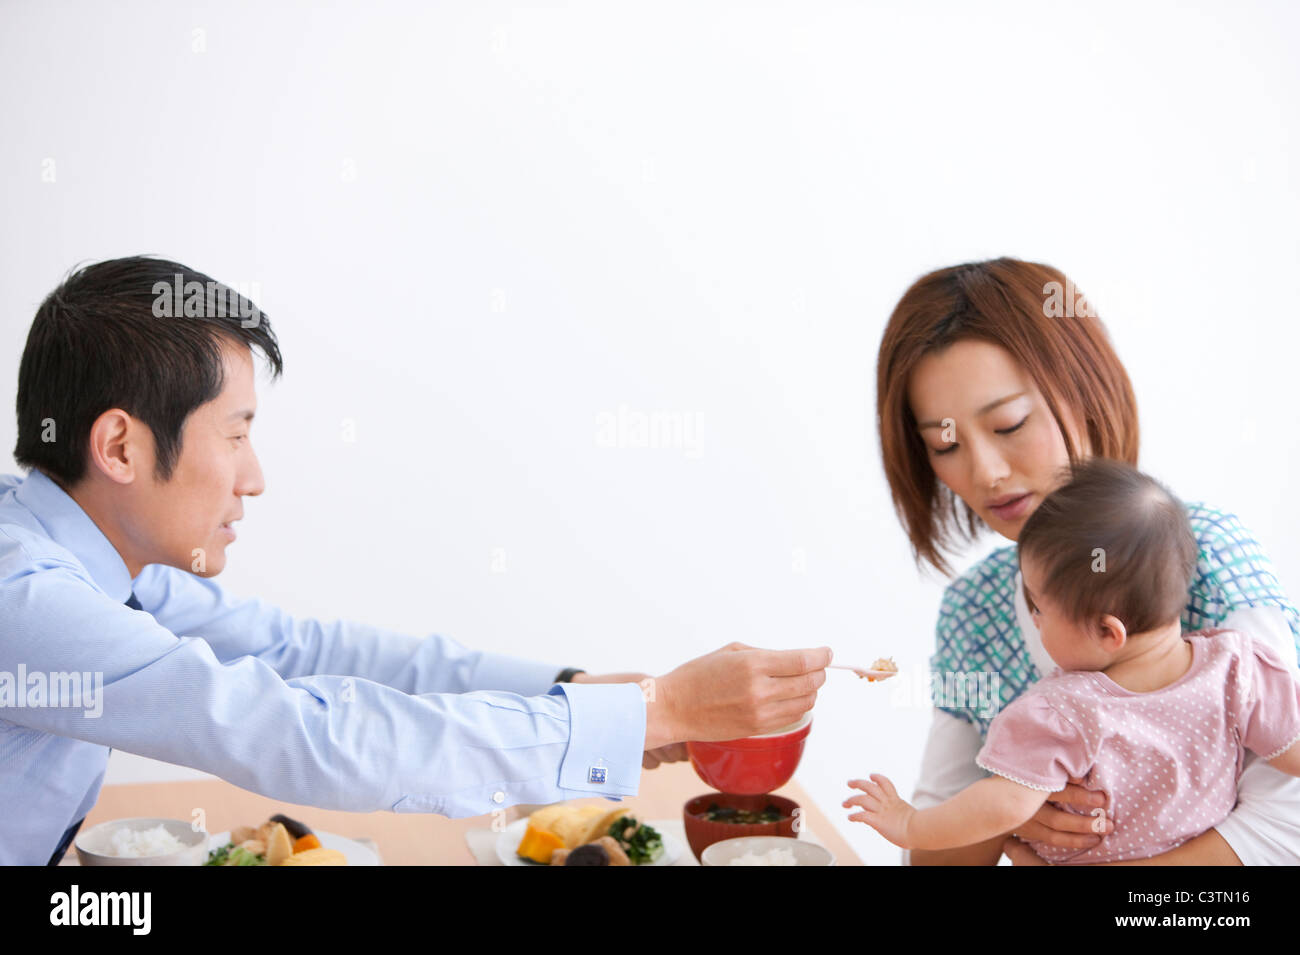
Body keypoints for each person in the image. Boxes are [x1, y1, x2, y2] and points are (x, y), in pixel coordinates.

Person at [0, 256, 831, 866]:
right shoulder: (30, 600)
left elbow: (304, 653)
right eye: (237, 432)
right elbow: (305, 734)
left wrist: (578, 691)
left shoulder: (92, 566)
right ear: (119, 445)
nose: (255, 477)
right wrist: (662, 711)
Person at [868, 257, 1300, 865]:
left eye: (1010, 423)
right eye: (946, 445)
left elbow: (1287, 823)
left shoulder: (1201, 554)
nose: (986, 471)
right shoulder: (974, 611)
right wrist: (1007, 810)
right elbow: (940, 849)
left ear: (1084, 389)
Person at [844, 459, 1300, 863]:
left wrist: (910, 825)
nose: (1035, 621)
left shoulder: (1063, 712)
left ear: (1107, 632)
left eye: (1040, 608)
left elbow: (1003, 805)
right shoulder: (1239, 668)